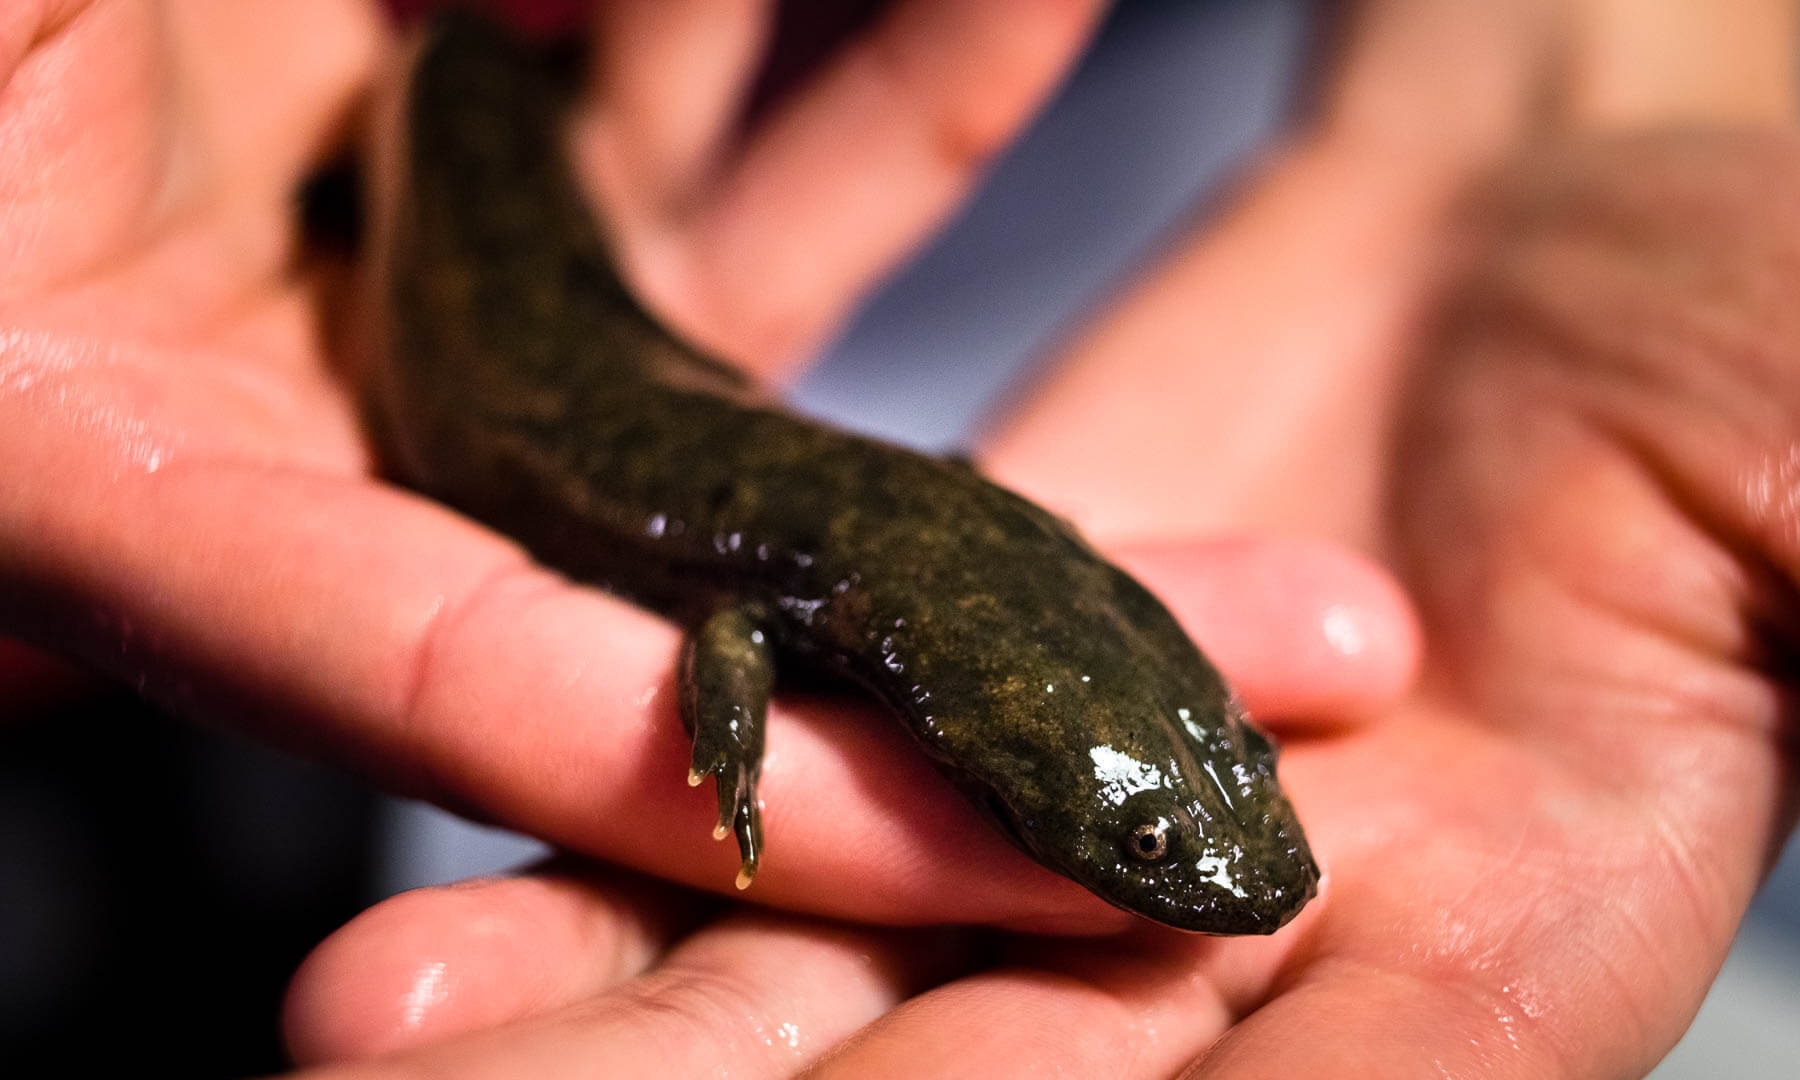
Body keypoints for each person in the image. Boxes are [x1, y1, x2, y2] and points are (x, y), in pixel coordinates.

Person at [2, 0, 1793, 1076]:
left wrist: (1620, 80)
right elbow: (733, 629)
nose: (1245, 863)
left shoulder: (889, 571)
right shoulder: (795, 589)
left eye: (1210, 779)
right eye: (1164, 825)